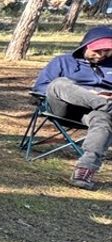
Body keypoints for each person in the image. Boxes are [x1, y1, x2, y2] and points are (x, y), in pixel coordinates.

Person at [31, 26, 112, 190]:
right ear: (86, 45)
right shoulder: (62, 61)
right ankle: (106, 105)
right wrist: (90, 94)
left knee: (103, 120)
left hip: (92, 114)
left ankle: (85, 169)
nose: (102, 55)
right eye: (98, 50)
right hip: (63, 107)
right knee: (59, 83)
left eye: (107, 51)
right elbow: (41, 88)